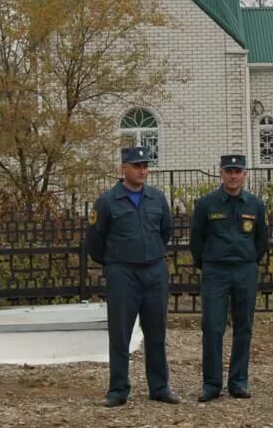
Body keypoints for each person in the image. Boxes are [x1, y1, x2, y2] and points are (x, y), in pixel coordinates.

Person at [85, 146, 180, 407]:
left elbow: (165, 231)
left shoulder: (157, 198)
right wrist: (115, 260)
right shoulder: (107, 201)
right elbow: (94, 241)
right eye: (137, 166)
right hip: (122, 273)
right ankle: (118, 389)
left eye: (145, 166)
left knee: (156, 332)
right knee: (120, 333)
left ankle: (159, 386)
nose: (142, 170)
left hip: (154, 271)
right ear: (123, 169)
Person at [190, 154, 269, 402]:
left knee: (243, 326)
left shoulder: (255, 205)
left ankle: (239, 381)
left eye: (237, 171)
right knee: (213, 327)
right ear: (220, 173)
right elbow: (196, 240)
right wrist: (207, 264)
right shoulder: (206, 204)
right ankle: (211, 384)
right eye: (228, 171)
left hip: (245, 270)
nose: (233, 176)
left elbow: (261, 240)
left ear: (245, 174)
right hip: (216, 271)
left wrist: (249, 260)